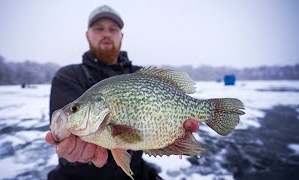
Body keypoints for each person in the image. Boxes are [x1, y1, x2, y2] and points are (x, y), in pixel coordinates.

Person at [45, 5, 199, 180]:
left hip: (136, 173)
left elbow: (135, 135)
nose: (106, 34)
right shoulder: (69, 75)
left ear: (121, 36)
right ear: (88, 35)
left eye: (113, 29)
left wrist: (174, 141)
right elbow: (64, 132)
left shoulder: (138, 74)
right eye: (99, 28)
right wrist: (68, 140)